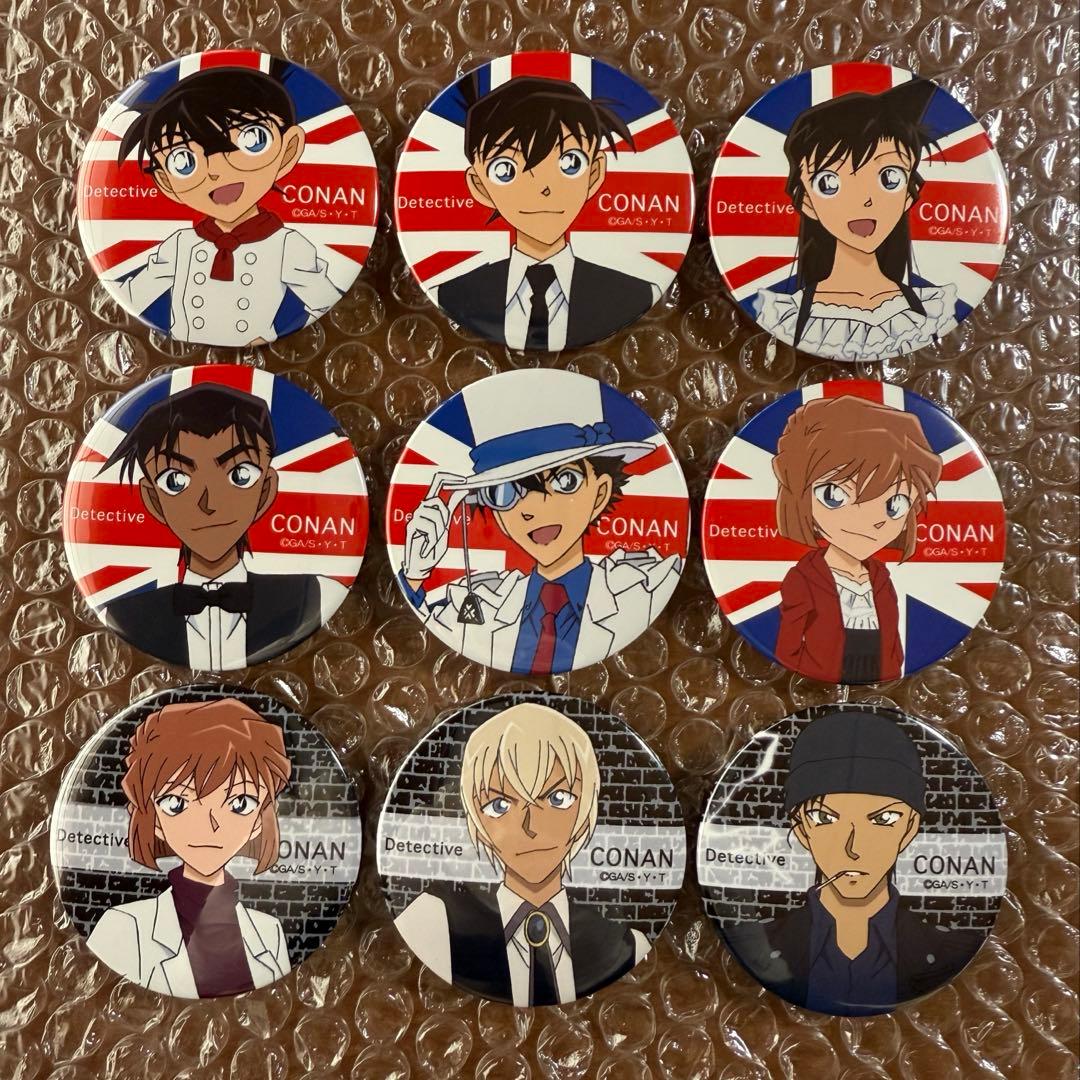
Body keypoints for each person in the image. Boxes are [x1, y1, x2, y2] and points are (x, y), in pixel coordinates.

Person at [398, 384, 683, 674]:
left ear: (600, 494)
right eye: (505, 493)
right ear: (499, 518)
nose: (532, 510)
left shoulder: (644, 586)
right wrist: (415, 573)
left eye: (565, 481)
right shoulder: (481, 598)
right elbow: (419, 638)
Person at [722, 710, 984, 1015]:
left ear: (910, 828)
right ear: (801, 829)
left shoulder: (947, 949)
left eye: (884, 819)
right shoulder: (759, 942)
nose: (853, 848)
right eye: (825, 818)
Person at [394, 702, 650, 1006]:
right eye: (499, 805)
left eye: (558, 798)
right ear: (475, 817)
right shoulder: (432, 923)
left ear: (585, 808)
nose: (530, 827)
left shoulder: (624, 944)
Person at [98, 383, 346, 669]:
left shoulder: (311, 594)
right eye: (175, 481)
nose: (209, 503)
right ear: (153, 500)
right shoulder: (127, 613)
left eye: (240, 475)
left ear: (266, 491)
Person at [113, 65, 342, 346]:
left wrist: (272, 336)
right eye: (184, 161)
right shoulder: (180, 244)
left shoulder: (288, 245)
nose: (217, 171)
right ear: (165, 181)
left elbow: (326, 299)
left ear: (288, 149)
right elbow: (133, 296)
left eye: (252, 140)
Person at [86, 698, 293, 998]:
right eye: (177, 803)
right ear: (154, 818)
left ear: (259, 820)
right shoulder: (125, 927)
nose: (210, 825)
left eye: (240, 803)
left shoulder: (269, 932)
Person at [436, 74, 657, 350]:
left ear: (595, 173)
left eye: (570, 163)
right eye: (506, 170)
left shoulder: (634, 294)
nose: (544, 188)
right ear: (480, 186)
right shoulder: (452, 294)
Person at [754, 79, 957, 361]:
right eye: (829, 183)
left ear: (909, 196)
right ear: (807, 202)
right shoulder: (784, 315)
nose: (865, 200)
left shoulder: (935, 309)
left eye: (889, 178)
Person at [771, 394, 942, 683]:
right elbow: (787, 646)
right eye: (834, 495)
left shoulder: (881, 577)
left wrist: (892, 671)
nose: (868, 520)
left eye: (895, 504)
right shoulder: (804, 578)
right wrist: (813, 672)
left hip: (879, 676)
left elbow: (892, 639)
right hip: (819, 678)